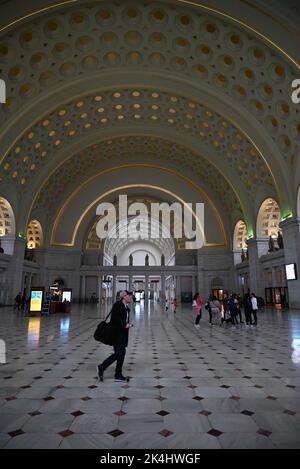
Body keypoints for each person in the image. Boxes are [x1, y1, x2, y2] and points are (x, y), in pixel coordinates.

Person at [97, 290, 133, 382]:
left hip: (122, 333)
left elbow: (123, 318)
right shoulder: (118, 305)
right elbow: (115, 318)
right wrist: (125, 325)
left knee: (122, 353)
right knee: (119, 353)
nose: (130, 297)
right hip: (117, 333)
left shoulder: (126, 306)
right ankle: (102, 367)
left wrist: (127, 324)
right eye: (129, 296)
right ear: (124, 297)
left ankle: (118, 374)